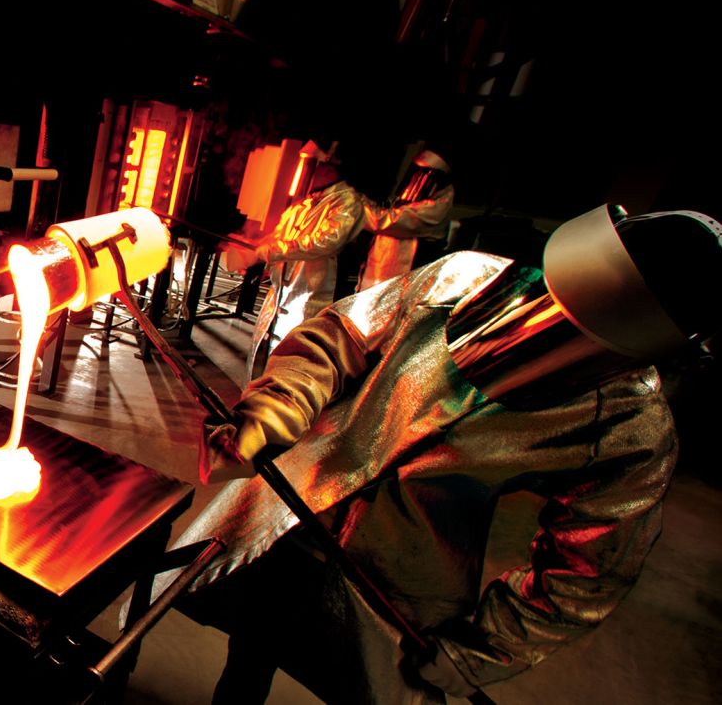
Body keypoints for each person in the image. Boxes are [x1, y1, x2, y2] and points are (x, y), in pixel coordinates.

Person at [182, 204, 722, 703]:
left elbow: (588, 570)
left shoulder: (632, 428)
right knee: (250, 649)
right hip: (286, 512)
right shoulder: (461, 279)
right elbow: (340, 336)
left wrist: (484, 647)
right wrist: (281, 404)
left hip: (395, 588)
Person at [220, 139, 374, 380]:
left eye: (308, 165)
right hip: (280, 294)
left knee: (293, 363)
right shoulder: (305, 202)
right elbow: (280, 236)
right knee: (263, 355)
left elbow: (322, 242)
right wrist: (250, 248)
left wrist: (265, 252)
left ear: (326, 165)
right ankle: (250, 409)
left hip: (311, 297)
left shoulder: (347, 202)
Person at [356, 147, 455, 292]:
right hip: (377, 278)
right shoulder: (407, 201)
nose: (416, 180)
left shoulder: (436, 206)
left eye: (422, 175)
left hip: (404, 283)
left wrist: (350, 202)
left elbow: (382, 220)